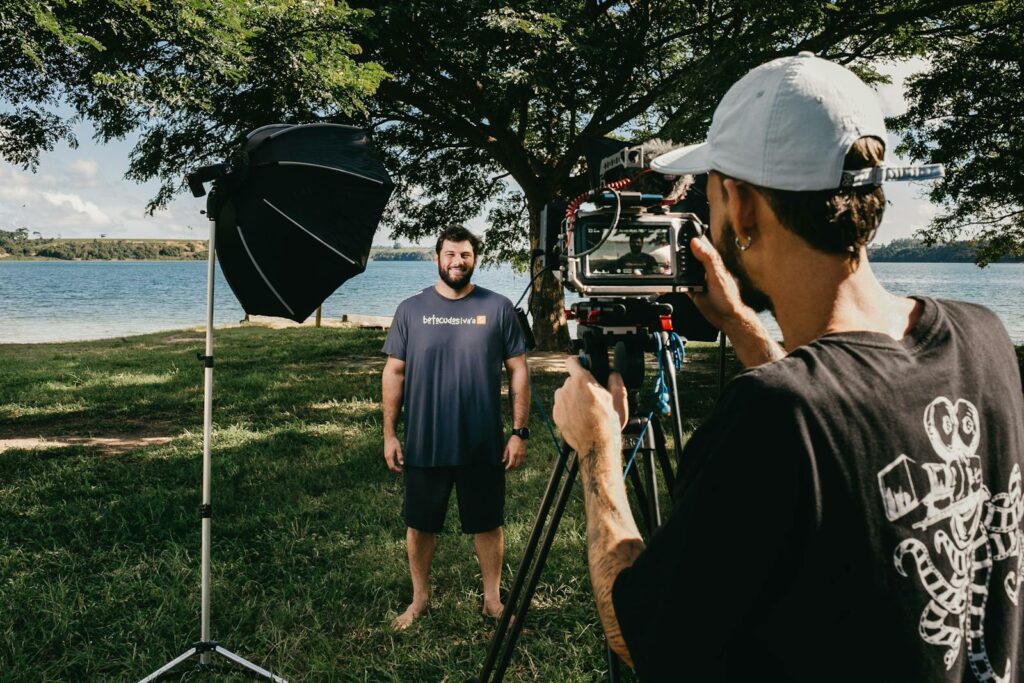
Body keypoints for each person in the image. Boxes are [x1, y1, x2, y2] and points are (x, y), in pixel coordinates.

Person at [553, 52, 1023, 681]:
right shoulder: (983, 337)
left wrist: (597, 453)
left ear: (742, 207)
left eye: (709, 191)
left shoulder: (771, 415)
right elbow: (843, 414)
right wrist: (744, 327)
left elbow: (645, 635)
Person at [381, 225, 530, 630]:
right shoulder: (410, 310)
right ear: (437, 258)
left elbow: (518, 370)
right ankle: (419, 599)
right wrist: (390, 433)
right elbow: (394, 371)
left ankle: (493, 600)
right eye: (449, 254)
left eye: (464, 254)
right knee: (420, 524)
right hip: (424, 442)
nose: (457, 262)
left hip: (482, 442)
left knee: (488, 523)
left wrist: (519, 431)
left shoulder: (498, 308)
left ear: (475, 258)